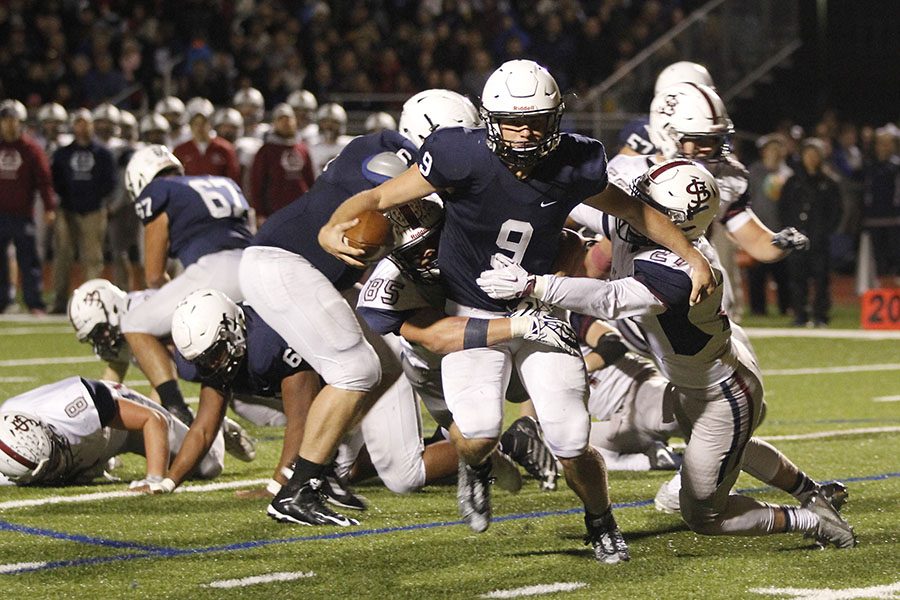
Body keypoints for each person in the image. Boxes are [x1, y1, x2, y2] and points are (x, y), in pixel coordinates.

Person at [320, 60, 717, 564]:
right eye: (513, 120)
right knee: (477, 434)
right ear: (490, 119)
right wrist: (331, 226)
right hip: (472, 311)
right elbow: (378, 196)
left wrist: (693, 255)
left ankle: (600, 519)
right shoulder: (458, 155)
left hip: (540, 307)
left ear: (555, 119)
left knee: (572, 437)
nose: (525, 132)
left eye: (536, 120)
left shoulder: (575, 162)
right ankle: (478, 468)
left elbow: (636, 212)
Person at [476, 158, 857, 550]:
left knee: (703, 513)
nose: (638, 206)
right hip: (704, 376)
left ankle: (811, 520)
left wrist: (534, 285)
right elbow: (577, 202)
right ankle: (812, 493)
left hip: (721, 393)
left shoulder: (683, 269)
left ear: (675, 222)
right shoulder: (643, 228)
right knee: (727, 449)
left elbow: (611, 298)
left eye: (650, 205)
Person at [238, 89, 487, 528]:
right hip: (281, 260)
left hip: (309, 271)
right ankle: (299, 487)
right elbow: (389, 189)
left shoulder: (415, 167)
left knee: (386, 364)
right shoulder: (387, 150)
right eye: (459, 137)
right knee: (355, 369)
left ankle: (328, 469)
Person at [571, 82, 810, 325]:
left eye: (716, 139)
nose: (712, 148)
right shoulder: (628, 173)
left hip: (693, 276)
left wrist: (779, 243)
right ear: (668, 136)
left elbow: (753, 238)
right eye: (699, 139)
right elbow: (572, 211)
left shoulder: (724, 176)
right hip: (633, 287)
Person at [120, 145, 252, 426]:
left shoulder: (158, 191)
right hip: (257, 265)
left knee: (135, 324)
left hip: (216, 268)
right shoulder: (222, 181)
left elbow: (154, 275)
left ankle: (176, 408)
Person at [0, 377, 224, 488]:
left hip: (121, 426)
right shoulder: (8, 455)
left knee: (207, 465)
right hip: (91, 446)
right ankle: (99, 463)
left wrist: (155, 479)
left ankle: (215, 421)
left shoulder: (74, 408)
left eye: (55, 453)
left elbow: (151, 421)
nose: (56, 464)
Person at [50, 108, 116, 314]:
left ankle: (91, 305)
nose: (82, 127)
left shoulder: (103, 154)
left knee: (93, 258)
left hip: (94, 210)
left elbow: (110, 181)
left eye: (85, 123)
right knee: (63, 255)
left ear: (91, 126)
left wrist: (97, 198)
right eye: (78, 123)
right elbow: (56, 179)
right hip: (67, 209)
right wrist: (65, 200)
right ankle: (60, 301)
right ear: (73, 126)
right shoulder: (63, 153)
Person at [779, 138, 843, 327]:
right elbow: (783, 208)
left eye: (815, 154)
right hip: (796, 238)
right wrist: (789, 230)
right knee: (797, 278)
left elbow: (836, 210)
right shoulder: (792, 182)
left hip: (818, 239)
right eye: (808, 154)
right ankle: (800, 314)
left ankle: (820, 315)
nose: (812, 158)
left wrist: (824, 230)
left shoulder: (829, 183)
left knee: (821, 279)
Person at [0, 99, 55, 315]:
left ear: (21, 122)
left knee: (29, 260)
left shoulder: (31, 148)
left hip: (23, 213)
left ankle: (34, 301)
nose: (9, 124)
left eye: (13, 120)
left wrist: (49, 207)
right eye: (5, 120)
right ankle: (3, 301)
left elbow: (44, 180)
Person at [746, 134, 793, 316]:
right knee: (757, 274)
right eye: (771, 149)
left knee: (783, 273)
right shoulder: (754, 172)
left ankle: (785, 307)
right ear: (764, 151)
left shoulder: (788, 173)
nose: (775, 153)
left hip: (780, 228)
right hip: (757, 229)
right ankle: (758, 309)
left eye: (778, 149)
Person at [249, 103, 315, 227]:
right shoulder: (266, 151)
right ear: (274, 123)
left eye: (289, 119)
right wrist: (260, 213)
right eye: (281, 119)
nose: (286, 123)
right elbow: (257, 184)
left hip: (300, 212)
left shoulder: (302, 149)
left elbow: (310, 181)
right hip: (274, 212)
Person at [173, 97, 240, 181]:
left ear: (211, 124)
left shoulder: (225, 148)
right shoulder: (180, 150)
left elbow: (234, 179)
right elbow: (176, 180)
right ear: (190, 125)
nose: (200, 128)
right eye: (196, 123)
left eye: (203, 123)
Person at [308, 102, 354, 176]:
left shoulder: (350, 145)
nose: (329, 126)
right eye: (325, 122)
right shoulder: (311, 146)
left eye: (334, 122)